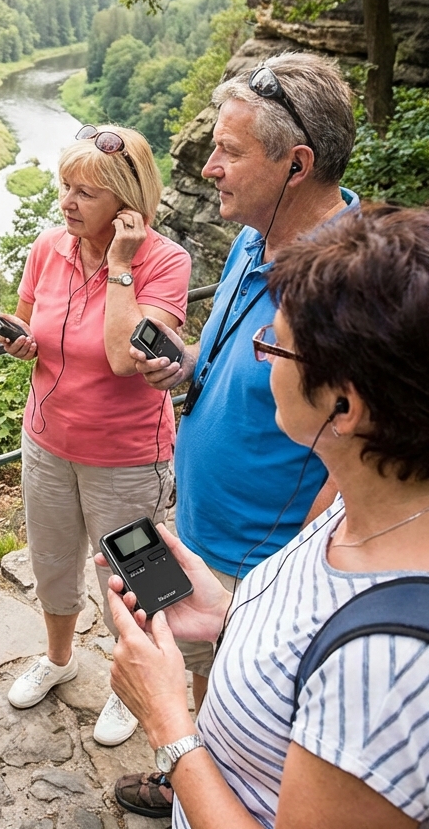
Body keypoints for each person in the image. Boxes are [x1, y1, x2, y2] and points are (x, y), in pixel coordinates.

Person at [101, 204, 429, 829]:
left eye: (273, 344)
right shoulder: (357, 510)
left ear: (344, 406)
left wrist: (168, 720)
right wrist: (227, 617)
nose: (261, 361)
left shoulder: (389, 672)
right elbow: (309, 653)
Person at [117, 51, 359, 815]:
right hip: (209, 528)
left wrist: (294, 584)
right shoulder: (258, 235)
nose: (209, 165)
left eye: (230, 151)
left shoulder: (345, 286)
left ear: (297, 163)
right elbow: (237, 361)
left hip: (266, 556)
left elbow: (351, 457)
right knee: (202, 671)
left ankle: (207, 781)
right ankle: (189, 768)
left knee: (258, 704)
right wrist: (187, 366)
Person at [0, 125, 190, 747]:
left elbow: (122, 358)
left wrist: (121, 267)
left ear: (129, 204)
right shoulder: (48, 248)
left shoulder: (165, 261)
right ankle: (58, 660)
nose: (67, 203)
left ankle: (131, 686)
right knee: (52, 562)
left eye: (85, 194)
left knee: (135, 577)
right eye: (65, 188)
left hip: (128, 457)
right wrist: (21, 340)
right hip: (48, 441)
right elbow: (31, 323)